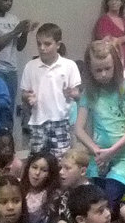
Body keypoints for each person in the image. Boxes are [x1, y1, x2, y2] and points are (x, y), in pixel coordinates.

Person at [75, 39, 125, 205]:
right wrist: (96, 151)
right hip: (98, 158)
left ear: (116, 66)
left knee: (110, 199)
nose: (104, 74)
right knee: (96, 203)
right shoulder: (89, 93)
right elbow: (79, 129)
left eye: (108, 68)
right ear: (90, 71)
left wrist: (112, 151)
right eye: (98, 70)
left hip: (123, 157)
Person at [20, 23, 82, 159]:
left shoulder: (69, 65)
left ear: (58, 45)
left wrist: (72, 93)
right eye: (39, 44)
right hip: (37, 121)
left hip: (60, 120)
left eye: (47, 44)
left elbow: (78, 95)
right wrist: (27, 97)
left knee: (60, 160)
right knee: (37, 160)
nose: (42, 48)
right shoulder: (30, 66)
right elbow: (24, 94)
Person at [94, 0, 125, 71]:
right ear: (107, 3)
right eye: (111, 0)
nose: (114, 2)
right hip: (113, 62)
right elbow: (108, 43)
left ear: (121, 3)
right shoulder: (103, 20)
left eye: (117, 0)